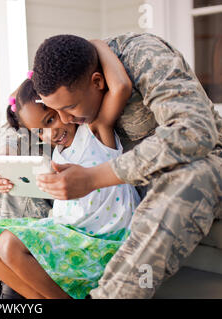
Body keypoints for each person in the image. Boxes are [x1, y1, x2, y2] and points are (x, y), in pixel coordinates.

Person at [30, 33, 222, 298]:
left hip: (198, 164)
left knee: (193, 175)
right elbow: (30, 115)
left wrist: (95, 178)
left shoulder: (143, 54)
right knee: (25, 172)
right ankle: (17, 292)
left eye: (71, 107)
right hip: (127, 184)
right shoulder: (68, 75)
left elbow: (194, 131)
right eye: (56, 112)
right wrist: (4, 160)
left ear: (96, 81)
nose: (66, 119)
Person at [0, 40, 140, 299]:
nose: (50, 133)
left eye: (51, 118)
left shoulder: (95, 130)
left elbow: (121, 87)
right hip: (68, 235)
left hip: (103, 241)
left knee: (9, 244)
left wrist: (96, 45)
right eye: (40, 131)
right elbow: (18, 124)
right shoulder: (53, 155)